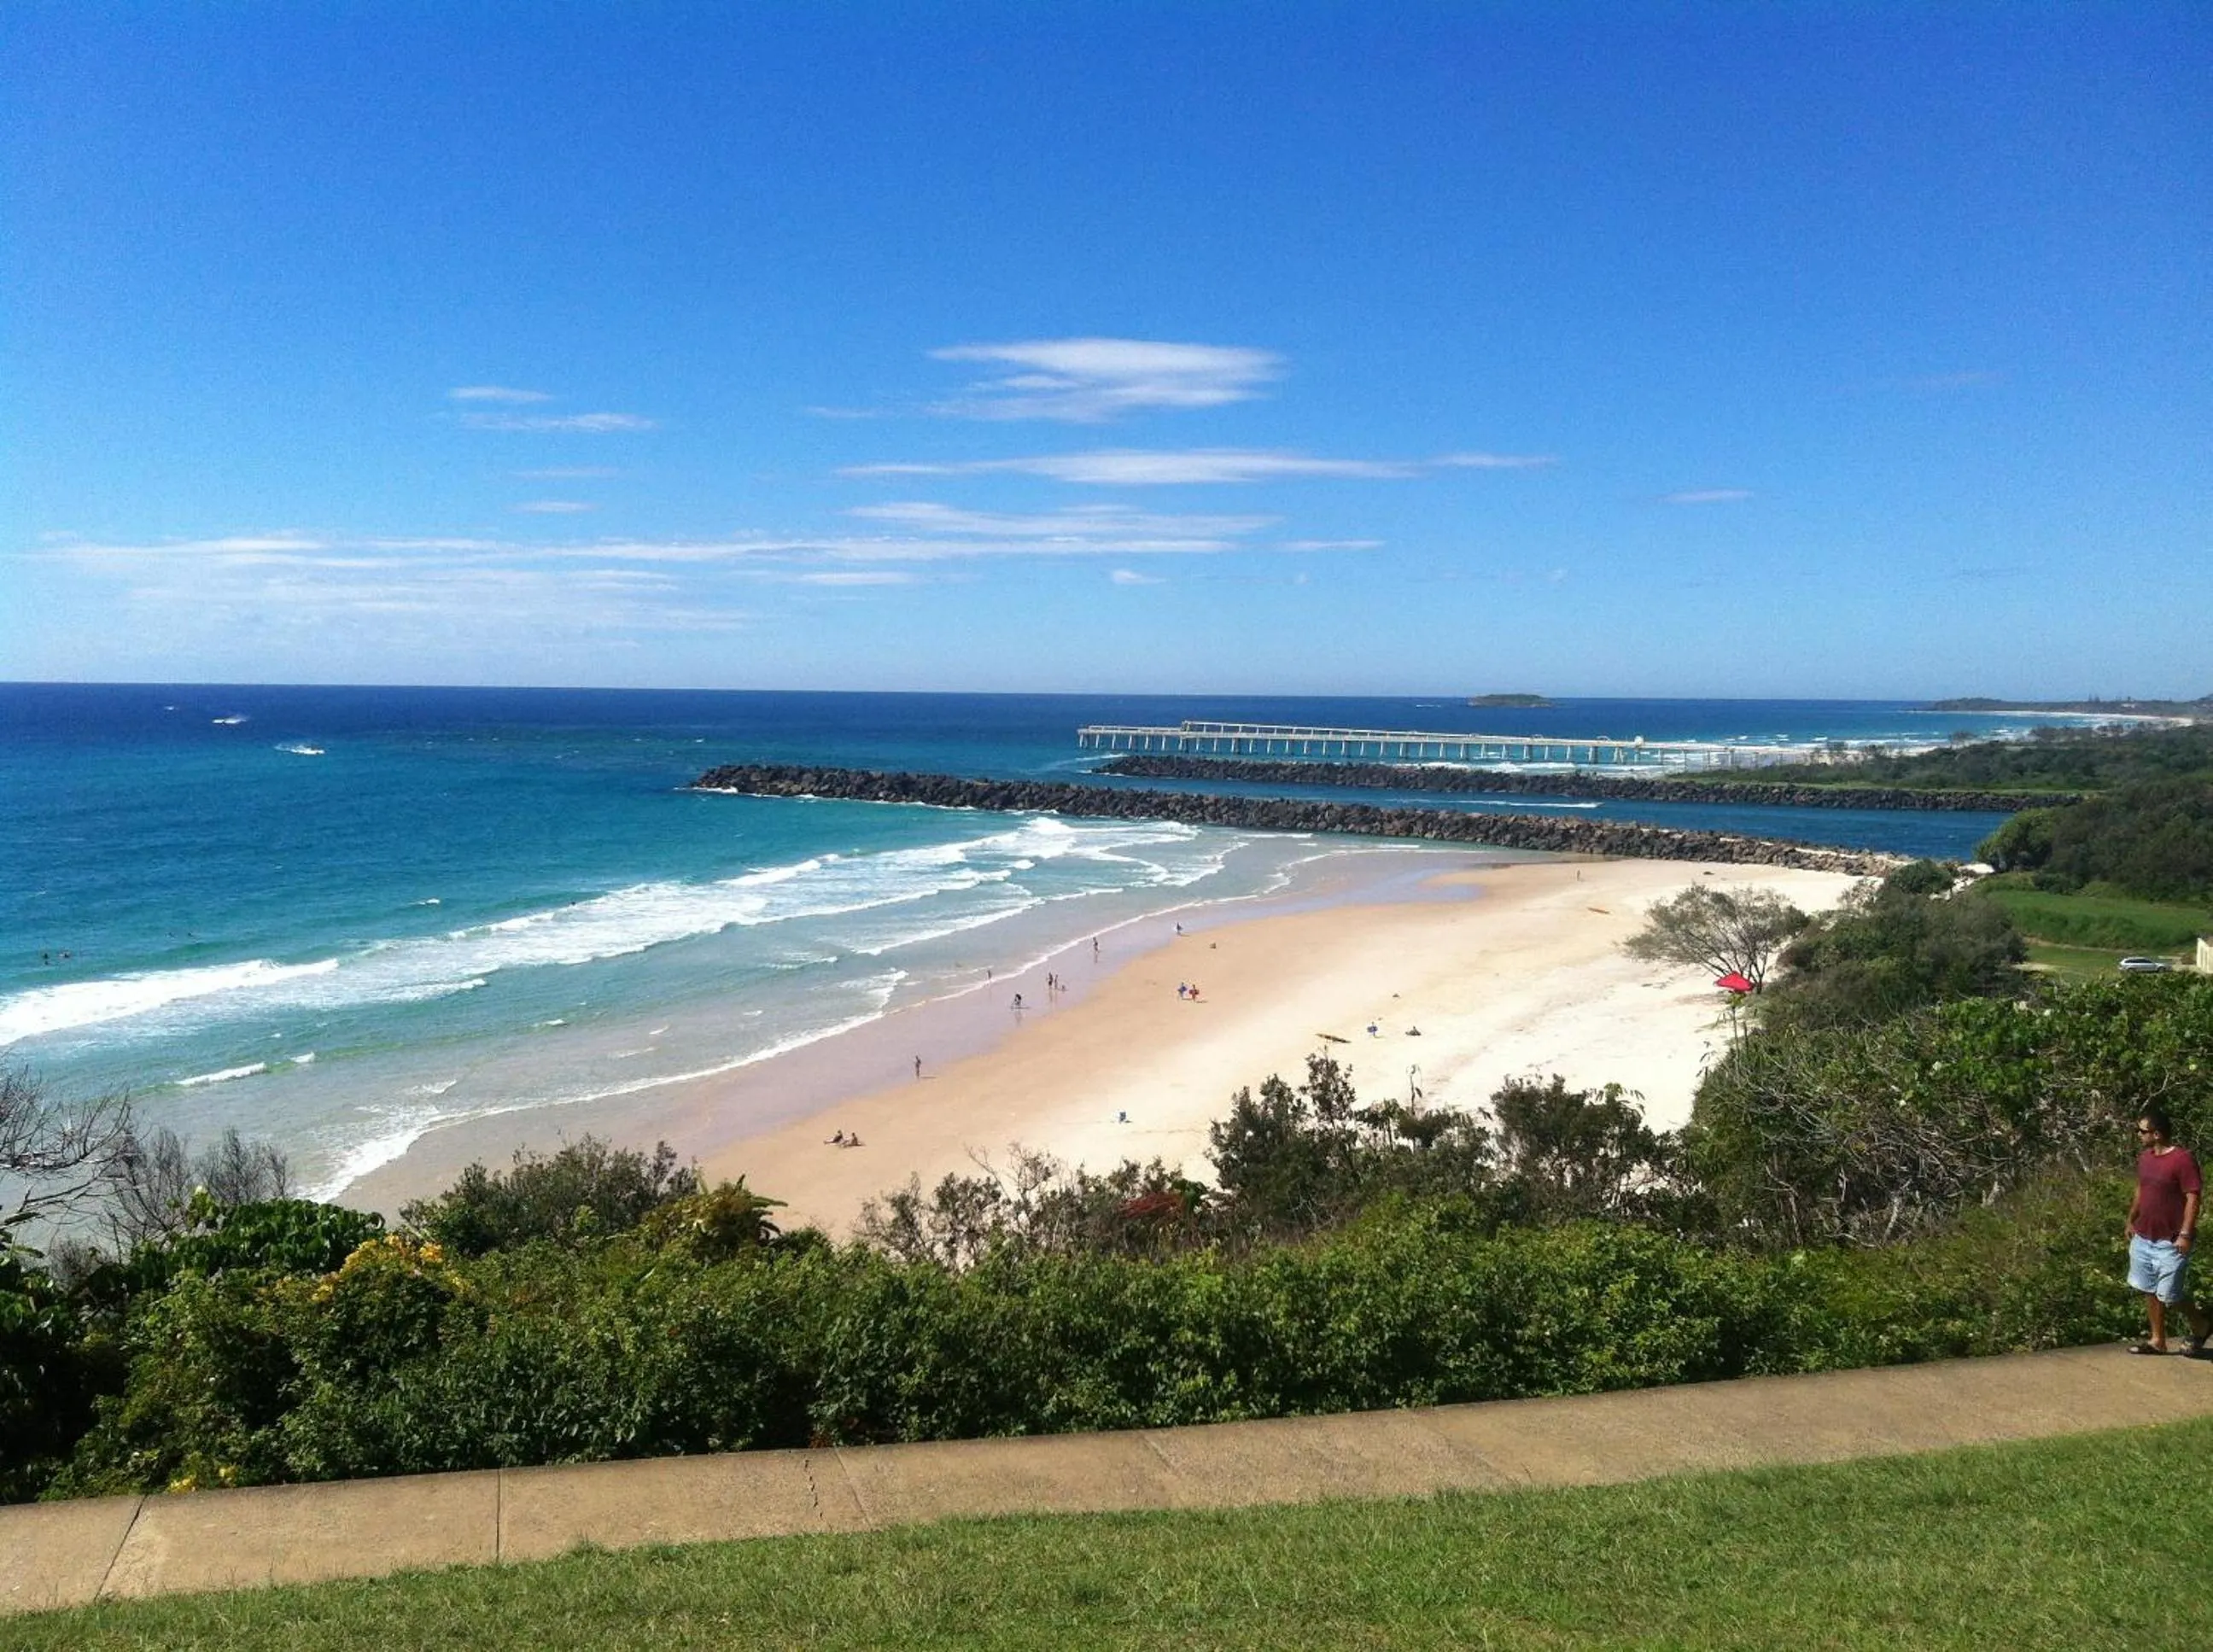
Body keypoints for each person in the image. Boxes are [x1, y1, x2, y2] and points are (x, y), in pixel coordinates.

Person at [2125, 1106, 2209, 1355]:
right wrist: (2131, 1219)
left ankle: (2203, 1322)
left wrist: (2185, 1233)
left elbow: (2193, 1197)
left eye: (2142, 1131)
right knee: (2148, 1289)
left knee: (2170, 1296)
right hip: (2144, 1236)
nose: (2139, 1135)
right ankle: (2157, 1340)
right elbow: (2141, 1190)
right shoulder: (2146, 1158)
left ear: (2157, 1133)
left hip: (2170, 1240)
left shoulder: (2182, 1160)